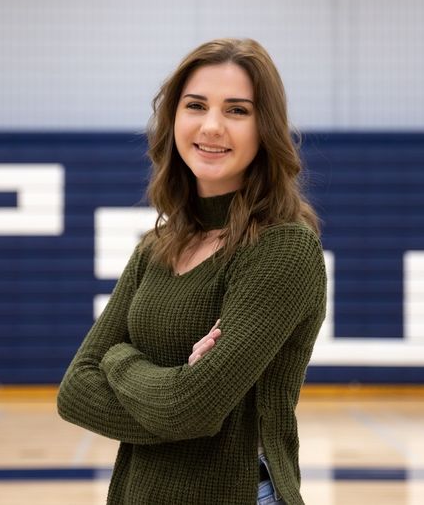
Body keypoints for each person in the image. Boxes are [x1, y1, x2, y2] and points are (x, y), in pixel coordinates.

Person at [57, 38, 327, 505]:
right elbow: (76, 390)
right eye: (196, 106)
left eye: (237, 110)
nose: (212, 126)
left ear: (266, 129)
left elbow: (194, 410)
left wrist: (119, 360)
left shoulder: (284, 249)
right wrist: (175, 387)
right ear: (173, 119)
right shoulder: (159, 246)